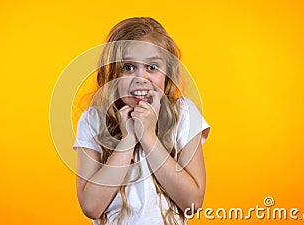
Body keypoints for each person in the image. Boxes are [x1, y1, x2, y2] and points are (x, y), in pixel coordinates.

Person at [73, 17, 210, 225]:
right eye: (128, 67)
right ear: (113, 74)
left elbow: (192, 203)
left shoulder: (184, 114)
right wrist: (128, 139)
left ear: (168, 73)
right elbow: (91, 206)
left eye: (152, 67)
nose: (141, 78)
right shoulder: (94, 120)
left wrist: (148, 137)